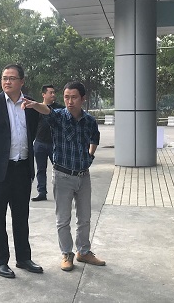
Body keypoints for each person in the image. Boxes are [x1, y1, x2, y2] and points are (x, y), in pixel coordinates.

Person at [22, 81, 105, 271]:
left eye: (74, 97)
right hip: (62, 176)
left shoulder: (89, 120)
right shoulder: (58, 116)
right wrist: (35, 105)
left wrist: (90, 156)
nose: (69, 101)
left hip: (83, 176)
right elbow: (47, 110)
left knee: (84, 218)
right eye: (66, 97)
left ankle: (83, 251)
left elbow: (95, 138)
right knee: (63, 219)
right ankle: (67, 253)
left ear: (83, 99)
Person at [0, 64, 44, 279]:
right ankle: (0, 261)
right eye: (4, 78)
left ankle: (23, 258)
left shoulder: (30, 105)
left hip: (22, 169)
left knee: (21, 216)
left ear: (22, 81)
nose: (7, 82)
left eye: (12, 78)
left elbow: (33, 131)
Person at [31, 85, 64, 201]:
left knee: (59, 169)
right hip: (39, 143)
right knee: (41, 169)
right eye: (51, 92)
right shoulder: (37, 108)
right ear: (43, 95)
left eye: (54, 92)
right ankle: (42, 192)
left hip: (54, 144)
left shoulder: (60, 109)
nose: (53, 95)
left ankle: (61, 193)